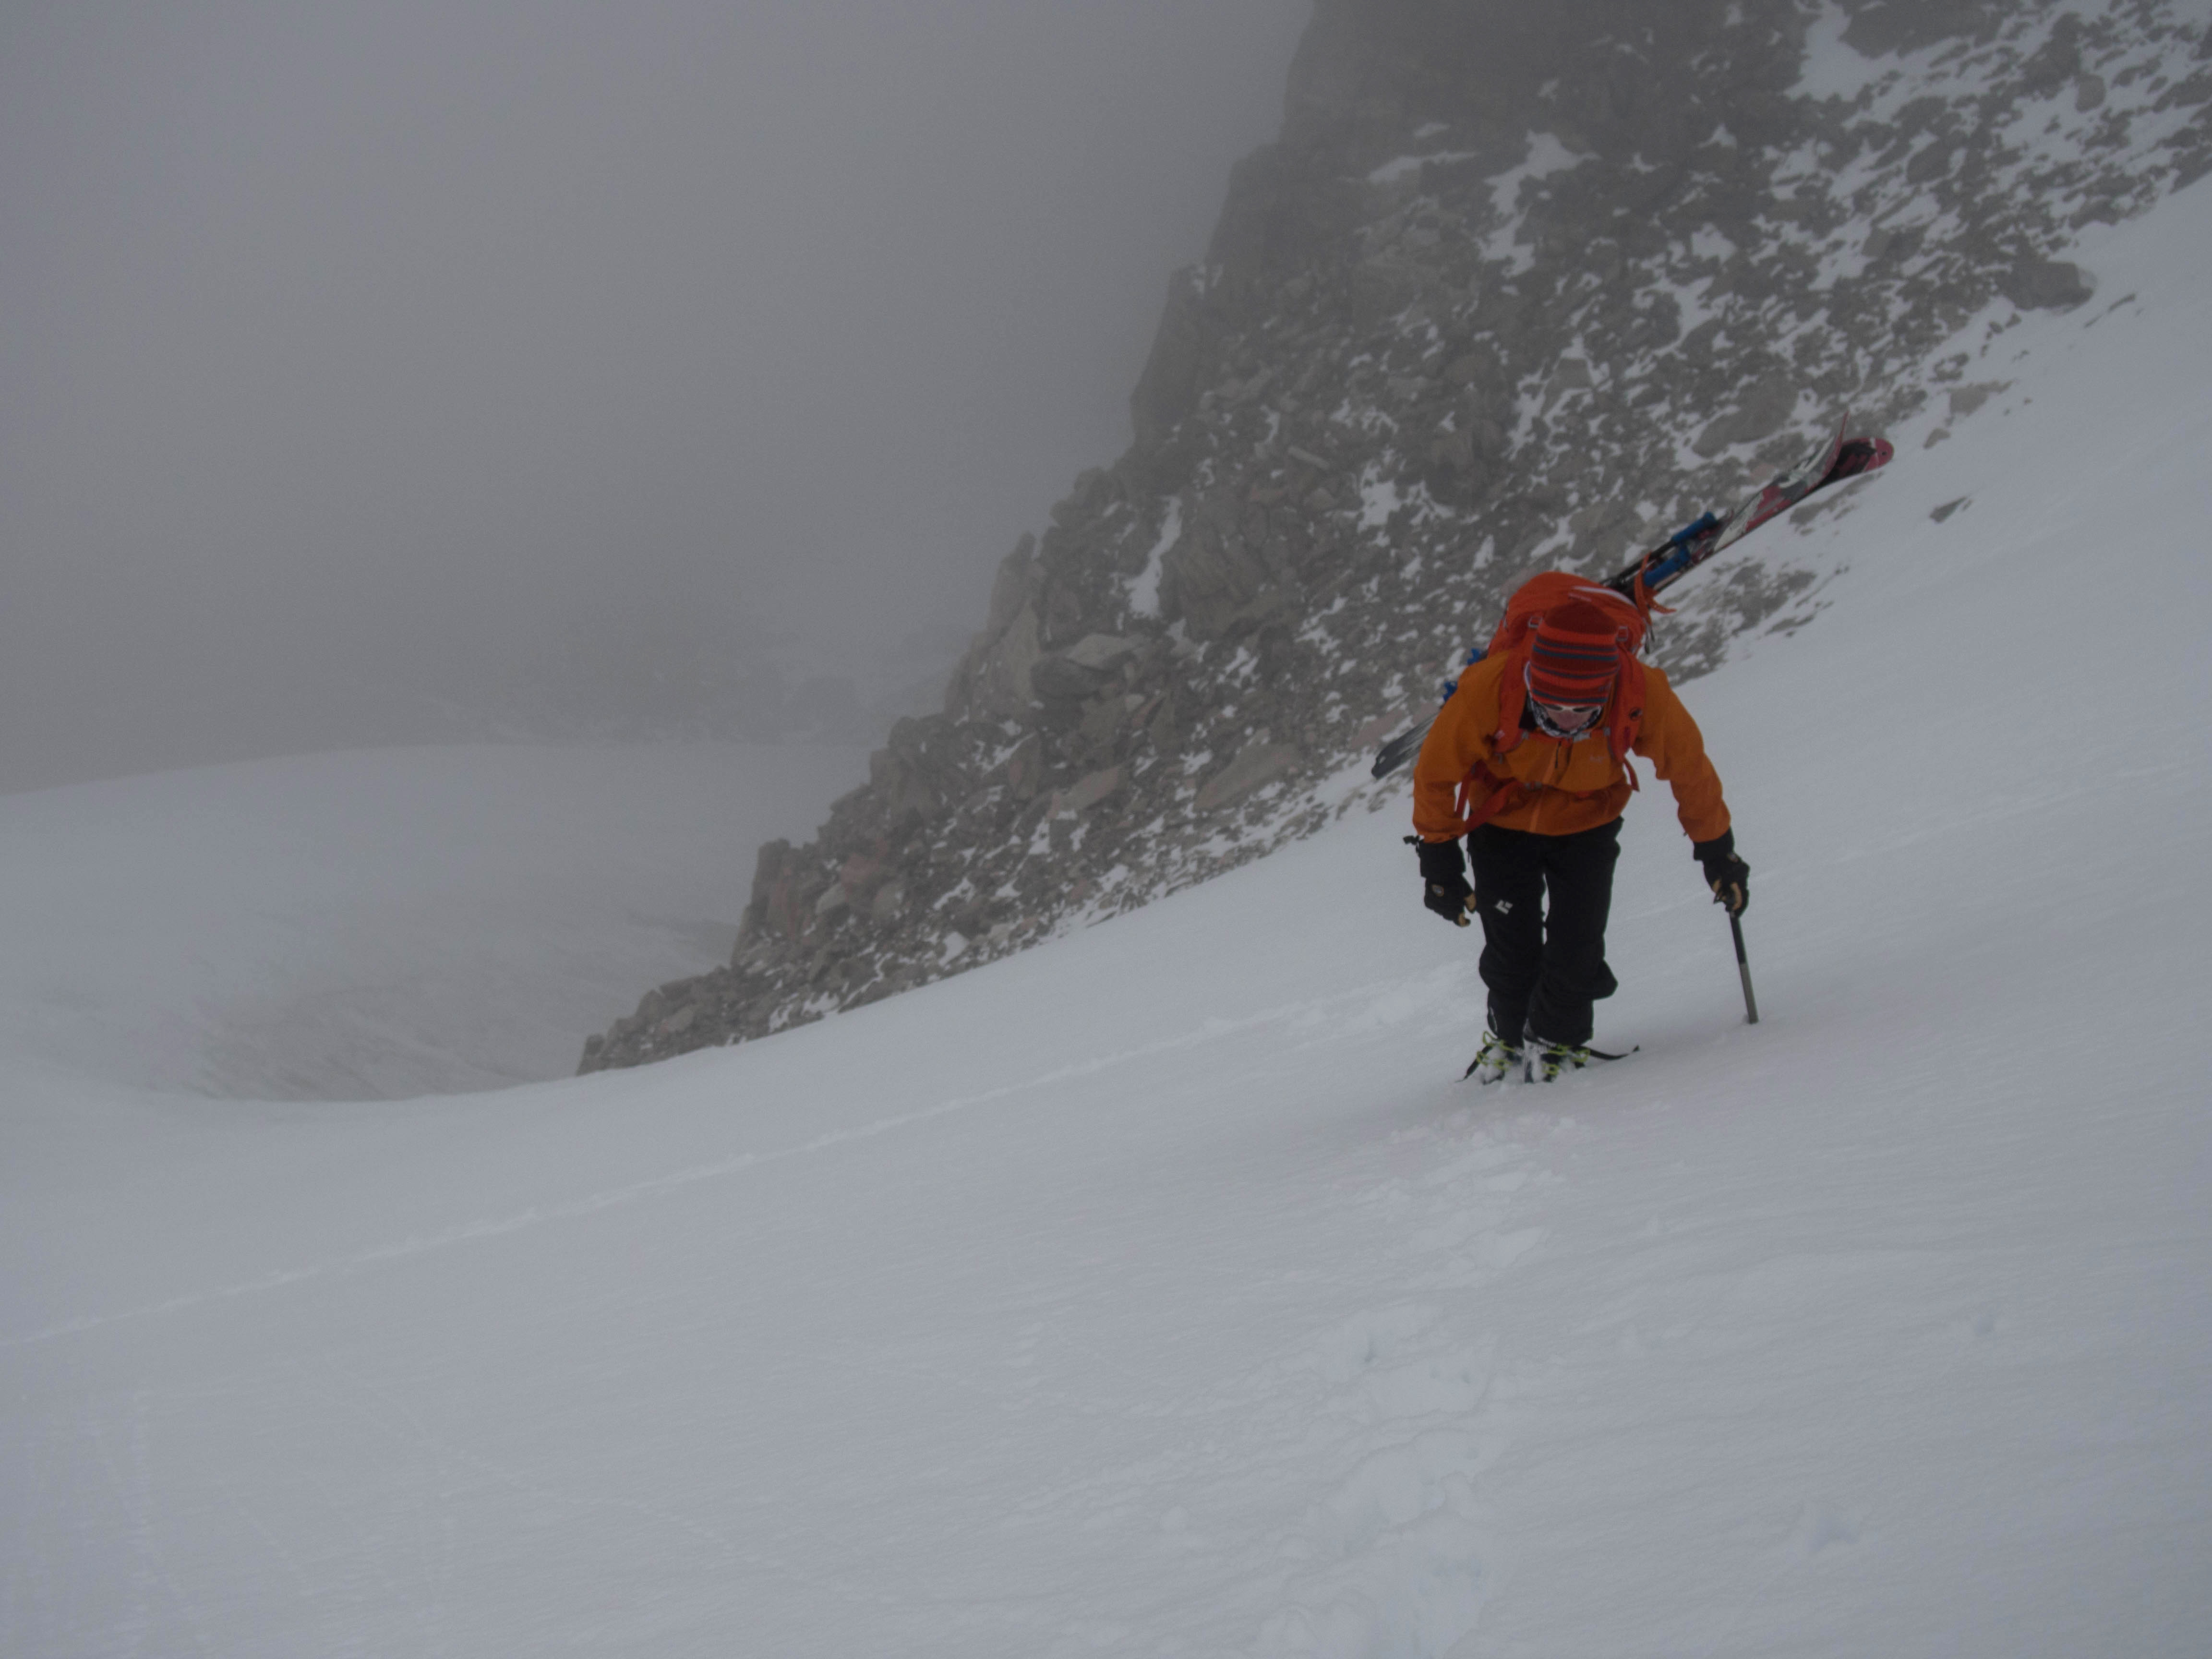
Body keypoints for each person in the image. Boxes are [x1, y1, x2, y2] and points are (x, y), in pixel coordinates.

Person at [1410, 591, 1750, 1082]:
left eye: (1582, 710)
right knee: (1511, 947)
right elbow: (1436, 772)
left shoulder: (1640, 691)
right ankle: (1509, 1041)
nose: (1568, 721)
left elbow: (1690, 771)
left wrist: (1718, 851)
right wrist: (1438, 859)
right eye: (1553, 707)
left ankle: (1556, 1043)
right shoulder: (1491, 685)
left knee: (1578, 944)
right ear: (1531, 681)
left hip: (1588, 823)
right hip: (1502, 822)